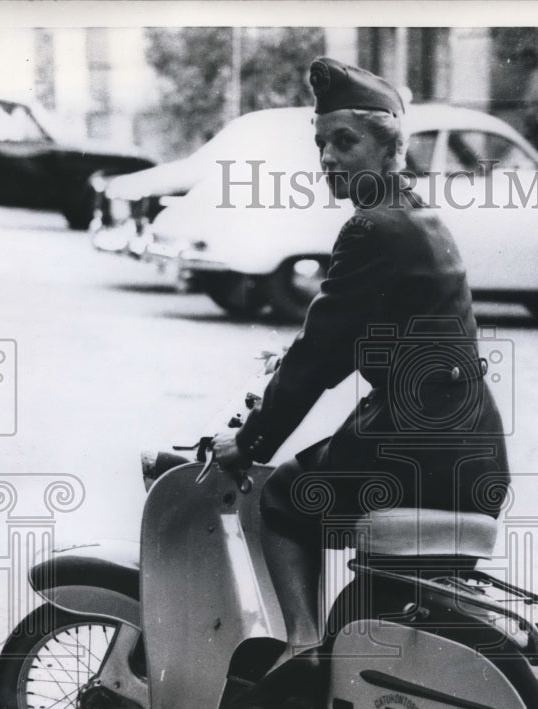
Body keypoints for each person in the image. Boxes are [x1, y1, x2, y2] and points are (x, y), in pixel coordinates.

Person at [214, 56, 510, 672]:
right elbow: (366, 334)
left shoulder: (371, 229)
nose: (328, 157)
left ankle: (300, 649)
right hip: (470, 445)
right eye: (322, 144)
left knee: (283, 500)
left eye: (345, 142)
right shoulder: (417, 215)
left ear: (388, 146)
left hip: (418, 446)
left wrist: (252, 443)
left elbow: (321, 354)